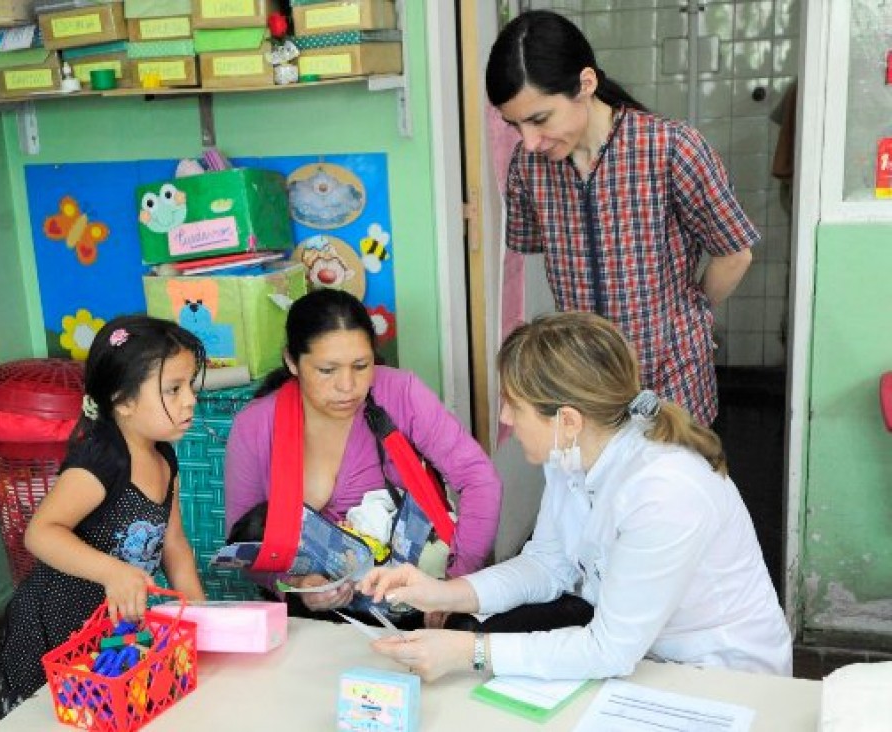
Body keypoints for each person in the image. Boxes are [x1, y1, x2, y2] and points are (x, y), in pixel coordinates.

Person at [359, 312, 791, 682]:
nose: (505, 418)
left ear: (567, 419)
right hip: (644, 655)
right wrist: (441, 592)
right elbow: (548, 565)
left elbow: (608, 650)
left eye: (514, 406)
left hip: (720, 674)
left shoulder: (663, 491)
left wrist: (467, 652)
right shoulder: (570, 455)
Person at [487, 10, 756, 425]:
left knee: (670, 485)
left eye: (540, 119)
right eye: (514, 125)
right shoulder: (528, 166)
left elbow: (734, 253)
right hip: (585, 384)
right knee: (595, 488)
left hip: (671, 379)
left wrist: (691, 318)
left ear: (586, 83)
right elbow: (532, 244)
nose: (529, 141)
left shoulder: (670, 149)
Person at [224, 289, 502, 621]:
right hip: (319, 620)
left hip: (422, 604)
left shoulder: (400, 393)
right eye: (327, 370)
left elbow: (480, 479)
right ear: (291, 362)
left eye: (361, 366)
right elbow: (245, 546)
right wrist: (299, 584)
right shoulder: (255, 425)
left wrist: (454, 588)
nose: (348, 386)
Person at [0, 315, 207, 719]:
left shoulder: (163, 454)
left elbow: (174, 545)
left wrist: (198, 616)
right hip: (57, 624)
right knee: (57, 718)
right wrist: (113, 572)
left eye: (189, 386)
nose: (190, 400)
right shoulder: (102, 460)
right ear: (123, 401)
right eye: (173, 390)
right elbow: (40, 533)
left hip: (112, 625)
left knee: (115, 711)